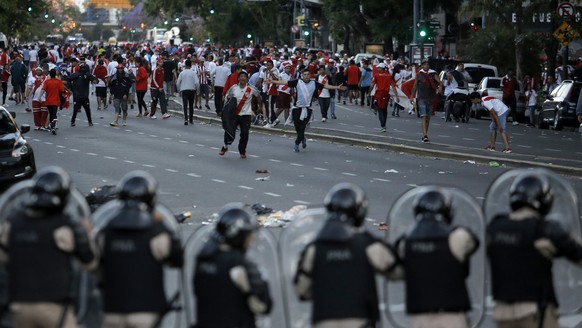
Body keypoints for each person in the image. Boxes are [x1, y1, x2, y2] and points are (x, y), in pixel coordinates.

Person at [0, 166, 96, 328]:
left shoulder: (14, 224)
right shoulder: (65, 228)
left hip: (19, 305)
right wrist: (87, 233)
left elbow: (3, 259)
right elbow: (90, 262)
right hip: (54, 307)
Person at [294, 183, 400, 327]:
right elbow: (396, 272)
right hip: (360, 321)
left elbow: (302, 290)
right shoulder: (367, 244)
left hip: (324, 320)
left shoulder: (315, 247)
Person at [486, 172, 582, 328]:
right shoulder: (544, 230)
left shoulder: (495, 227)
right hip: (536, 312)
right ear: (545, 201)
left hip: (502, 314)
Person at [94, 170, 183, 328]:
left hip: (112, 311)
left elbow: (91, 262)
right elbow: (177, 258)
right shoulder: (156, 233)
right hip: (146, 312)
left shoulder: (106, 231)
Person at [394, 188, 479, 328]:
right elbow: (474, 243)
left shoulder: (406, 242)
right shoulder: (457, 237)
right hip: (451, 316)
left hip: (420, 318)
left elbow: (395, 263)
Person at [193, 202, 272, 327]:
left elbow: (196, 290)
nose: (251, 239)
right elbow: (263, 307)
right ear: (239, 235)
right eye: (248, 235)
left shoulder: (204, 257)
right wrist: (247, 288)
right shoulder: (239, 264)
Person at [268, 68, 346, 152]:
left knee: (302, 127)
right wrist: (272, 81)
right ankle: (302, 138)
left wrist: (337, 87)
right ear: (302, 75)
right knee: (297, 127)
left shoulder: (314, 83)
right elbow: (284, 82)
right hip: (297, 109)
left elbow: (325, 86)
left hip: (307, 110)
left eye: (308, 74)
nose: (306, 76)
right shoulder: (297, 81)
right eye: (304, 75)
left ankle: (297, 143)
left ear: (310, 75)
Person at [220, 70, 261, 159]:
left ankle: (242, 150)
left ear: (247, 79)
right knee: (229, 131)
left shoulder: (251, 89)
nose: (242, 78)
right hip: (234, 114)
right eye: (241, 76)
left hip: (246, 114)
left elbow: (258, 96)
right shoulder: (233, 88)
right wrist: (226, 110)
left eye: (244, 77)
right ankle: (225, 146)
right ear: (238, 79)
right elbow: (227, 98)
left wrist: (259, 108)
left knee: (245, 134)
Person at [411, 59, 441, 143]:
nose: (426, 66)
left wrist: (440, 85)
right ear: (422, 66)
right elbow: (415, 85)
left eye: (427, 65)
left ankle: (425, 133)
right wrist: (411, 96)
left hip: (430, 98)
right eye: (424, 65)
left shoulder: (433, 74)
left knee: (428, 118)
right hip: (421, 98)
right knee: (423, 116)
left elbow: (439, 82)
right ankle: (424, 135)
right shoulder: (419, 74)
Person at [370, 63, 399, 133]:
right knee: (384, 110)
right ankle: (384, 125)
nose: (377, 68)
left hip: (379, 93)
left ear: (381, 68)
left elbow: (372, 85)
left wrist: (369, 92)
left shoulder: (376, 75)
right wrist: (397, 96)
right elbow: (393, 86)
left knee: (380, 110)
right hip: (386, 94)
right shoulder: (389, 76)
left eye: (378, 67)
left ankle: (383, 126)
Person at [39, 69, 67, 135]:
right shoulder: (58, 82)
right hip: (56, 101)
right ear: (55, 74)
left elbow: (43, 89)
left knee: (50, 113)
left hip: (48, 101)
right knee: (55, 114)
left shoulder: (47, 82)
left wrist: (40, 96)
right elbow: (62, 90)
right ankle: (53, 126)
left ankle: (51, 125)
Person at [176, 59, 199, 125]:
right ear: (191, 65)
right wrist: (197, 90)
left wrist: (179, 90)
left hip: (184, 90)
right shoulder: (193, 72)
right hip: (191, 90)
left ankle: (186, 119)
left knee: (185, 105)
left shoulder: (182, 73)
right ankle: (191, 119)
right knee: (191, 105)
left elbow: (178, 83)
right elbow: (197, 83)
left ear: (185, 65)